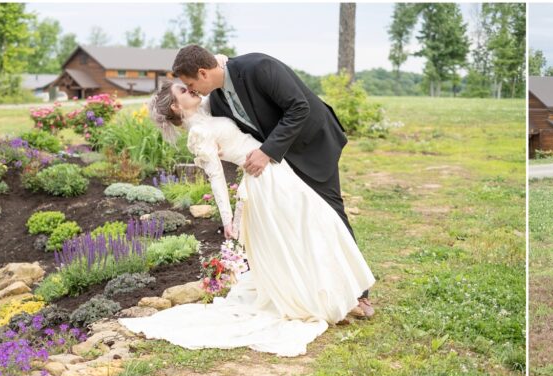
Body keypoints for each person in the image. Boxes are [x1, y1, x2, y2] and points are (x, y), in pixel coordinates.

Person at [116, 80, 375, 357]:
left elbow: (216, 81)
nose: (189, 89)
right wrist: (228, 220)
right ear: (177, 107)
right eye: (182, 91)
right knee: (298, 230)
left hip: (276, 167)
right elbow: (216, 178)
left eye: (187, 85)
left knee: (313, 223)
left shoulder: (204, 110)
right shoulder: (199, 133)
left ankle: (336, 290)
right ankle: (313, 298)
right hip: (263, 180)